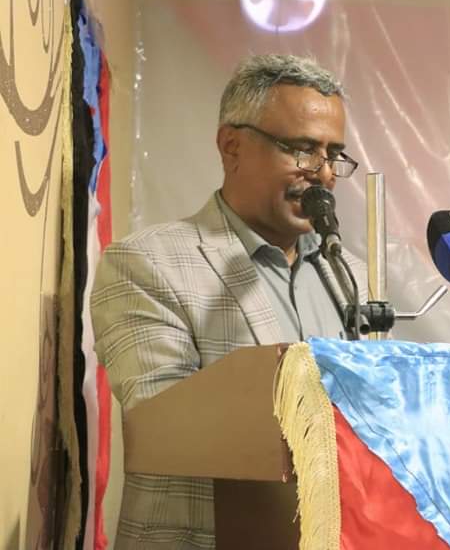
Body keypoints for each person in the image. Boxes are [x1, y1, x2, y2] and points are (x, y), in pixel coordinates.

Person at [92, 54, 367, 549]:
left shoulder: (352, 279)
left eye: (334, 155)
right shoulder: (148, 263)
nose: (324, 173)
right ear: (232, 146)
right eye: (303, 150)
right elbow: (164, 427)